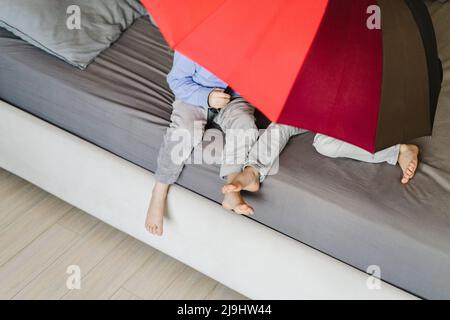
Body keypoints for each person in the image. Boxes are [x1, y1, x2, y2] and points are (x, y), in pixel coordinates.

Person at [145, 52, 259, 236]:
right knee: (184, 131)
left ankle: (232, 187)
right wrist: (206, 96)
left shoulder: (252, 45)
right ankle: (159, 191)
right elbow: (177, 81)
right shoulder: (194, 44)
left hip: (234, 100)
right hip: (194, 95)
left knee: (245, 125)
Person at [222, 123, 419, 214]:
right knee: (280, 124)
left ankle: (398, 150)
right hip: (314, 103)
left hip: (345, 108)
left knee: (325, 143)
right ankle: (252, 172)